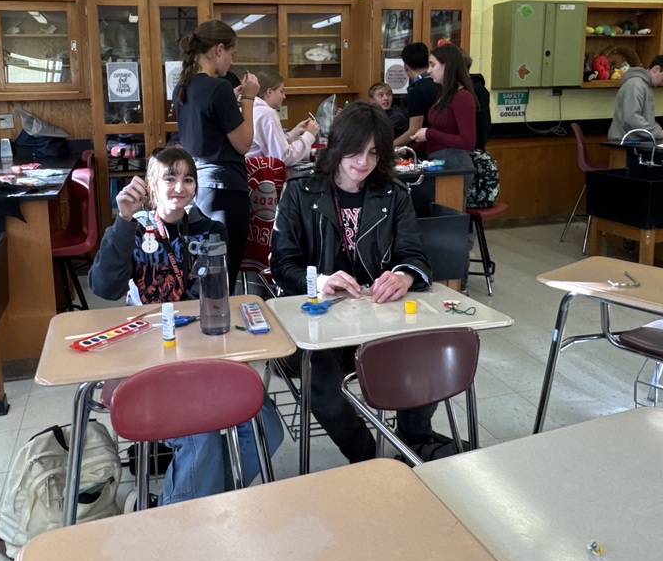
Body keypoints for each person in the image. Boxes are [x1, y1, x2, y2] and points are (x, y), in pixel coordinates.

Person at [87, 148, 283, 506]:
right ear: (150, 185)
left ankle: (200, 502)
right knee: (202, 437)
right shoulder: (134, 228)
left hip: (200, 355)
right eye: (169, 178)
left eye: (187, 179)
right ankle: (182, 516)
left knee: (267, 427)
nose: (179, 187)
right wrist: (123, 221)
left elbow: (211, 300)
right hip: (149, 358)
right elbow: (103, 288)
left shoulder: (209, 230)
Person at [270, 101, 436, 463]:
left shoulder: (394, 194)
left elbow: (416, 256)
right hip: (319, 324)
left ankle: (415, 439)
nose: (363, 162)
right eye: (356, 151)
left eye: (374, 153)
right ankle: (370, 459)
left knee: (430, 363)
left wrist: (404, 275)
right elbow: (282, 264)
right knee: (326, 394)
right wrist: (321, 280)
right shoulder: (300, 192)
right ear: (336, 145)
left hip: (380, 319)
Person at [173, 19, 258, 293]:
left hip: (200, 187)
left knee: (204, 271)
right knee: (225, 272)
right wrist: (248, 99)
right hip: (226, 188)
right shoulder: (219, 87)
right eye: (232, 54)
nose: (231, 62)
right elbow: (244, 143)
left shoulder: (182, 88)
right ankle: (222, 331)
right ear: (219, 50)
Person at [410, 43, 478, 185]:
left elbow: (468, 142)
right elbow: (440, 132)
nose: (429, 71)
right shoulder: (445, 93)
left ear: (447, 66)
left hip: (455, 165)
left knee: (447, 208)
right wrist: (410, 150)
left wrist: (429, 134)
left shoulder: (462, 97)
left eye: (432, 65)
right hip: (439, 162)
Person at [247, 69, 320, 164]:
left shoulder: (252, 108)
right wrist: (309, 135)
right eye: (281, 91)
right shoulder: (266, 113)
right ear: (269, 92)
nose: (284, 96)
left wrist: (295, 133)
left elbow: (273, 146)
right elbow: (282, 158)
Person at [607, 54, 663, 141]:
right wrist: (657, 133)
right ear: (656, 69)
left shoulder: (645, 85)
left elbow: (646, 119)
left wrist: (659, 131)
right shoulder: (635, 84)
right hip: (624, 143)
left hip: (634, 141)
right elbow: (631, 118)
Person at [394, 42, 438, 150]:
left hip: (427, 148)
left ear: (406, 67)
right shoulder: (439, 82)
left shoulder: (416, 90)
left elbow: (414, 130)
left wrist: (391, 146)